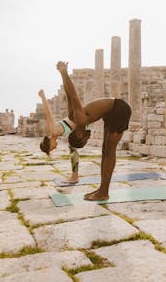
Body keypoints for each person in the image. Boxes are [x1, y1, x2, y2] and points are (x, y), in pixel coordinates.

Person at [56, 61, 132, 201]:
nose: (88, 139)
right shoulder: (73, 117)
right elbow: (68, 94)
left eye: (84, 141)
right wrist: (62, 74)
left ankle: (104, 192)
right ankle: (102, 189)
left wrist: (64, 72)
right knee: (105, 151)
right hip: (110, 112)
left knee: (109, 152)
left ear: (79, 135)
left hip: (119, 109)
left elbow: (73, 94)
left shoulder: (79, 119)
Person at [38, 89, 79, 183]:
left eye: (51, 148)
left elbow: (48, 113)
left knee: (72, 148)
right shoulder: (56, 134)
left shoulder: (53, 130)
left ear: (49, 144)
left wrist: (42, 96)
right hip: (81, 121)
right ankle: (74, 176)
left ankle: (74, 176)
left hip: (82, 116)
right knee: (72, 146)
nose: (54, 148)